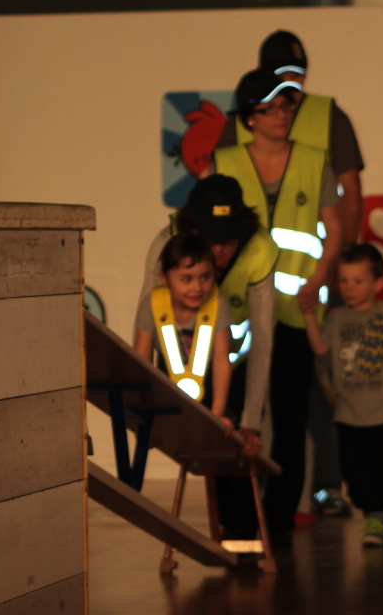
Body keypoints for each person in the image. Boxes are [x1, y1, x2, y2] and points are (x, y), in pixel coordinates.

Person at [220, 30, 367, 515]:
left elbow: (348, 199)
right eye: (283, 80)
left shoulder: (326, 120)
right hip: (243, 304)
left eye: (299, 78)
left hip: (303, 297)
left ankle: (318, 493)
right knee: (238, 404)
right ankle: (242, 516)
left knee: (309, 398)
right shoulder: (229, 143)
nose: (292, 95)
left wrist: (336, 271)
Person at [213, 67, 342, 546]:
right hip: (237, 312)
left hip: (295, 310)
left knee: (290, 418)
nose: (282, 114)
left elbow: (334, 231)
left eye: (287, 105)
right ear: (250, 116)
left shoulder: (314, 160)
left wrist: (319, 279)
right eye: (272, 107)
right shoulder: (224, 162)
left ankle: (280, 519)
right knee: (230, 416)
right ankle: (237, 521)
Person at [139, 175, 274, 538]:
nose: (219, 251)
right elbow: (147, 329)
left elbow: (262, 340)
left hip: (231, 356)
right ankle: (226, 528)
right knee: (201, 439)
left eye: (228, 240)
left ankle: (242, 533)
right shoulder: (166, 244)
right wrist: (147, 408)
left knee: (238, 437)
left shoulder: (260, 248)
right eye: (210, 240)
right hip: (181, 358)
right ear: (191, 228)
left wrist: (251, 421)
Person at [301, 244, 383, 545]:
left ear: (377, 283)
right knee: (355, 471)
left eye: (358, 281)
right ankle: (373, 517)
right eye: (344, 280)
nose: (349, 288)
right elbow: (322, 351)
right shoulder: (336, 317)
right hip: (349, 415)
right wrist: (308, 315)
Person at [134, 234, 235, 434]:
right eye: (187, 279)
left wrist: (216, 415)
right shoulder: (152, 304)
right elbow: (142, 361)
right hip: (165, 399)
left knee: (223, 430)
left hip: (209, 397)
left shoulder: (217, 303)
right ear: (164, 278)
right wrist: (146, 410)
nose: (197, 287)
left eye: (205, 277)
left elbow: (221, 361)